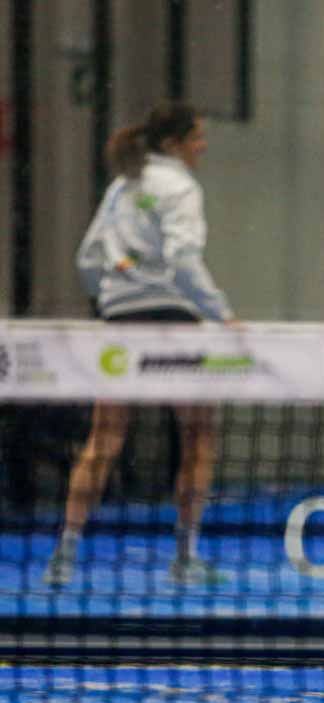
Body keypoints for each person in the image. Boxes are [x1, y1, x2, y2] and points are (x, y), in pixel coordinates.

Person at [43, 101, 235, 588]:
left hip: (120, 322)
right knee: (199, 437)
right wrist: (223, 316)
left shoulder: (122, 187)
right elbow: (184, 261)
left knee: (103, 439)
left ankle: (62, 556)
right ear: (174, 144)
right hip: (173, 321)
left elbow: (88, 258)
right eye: (197, 138)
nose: (203, 147)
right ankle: (185, 556)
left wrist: (111, 297)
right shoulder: (181, 188)